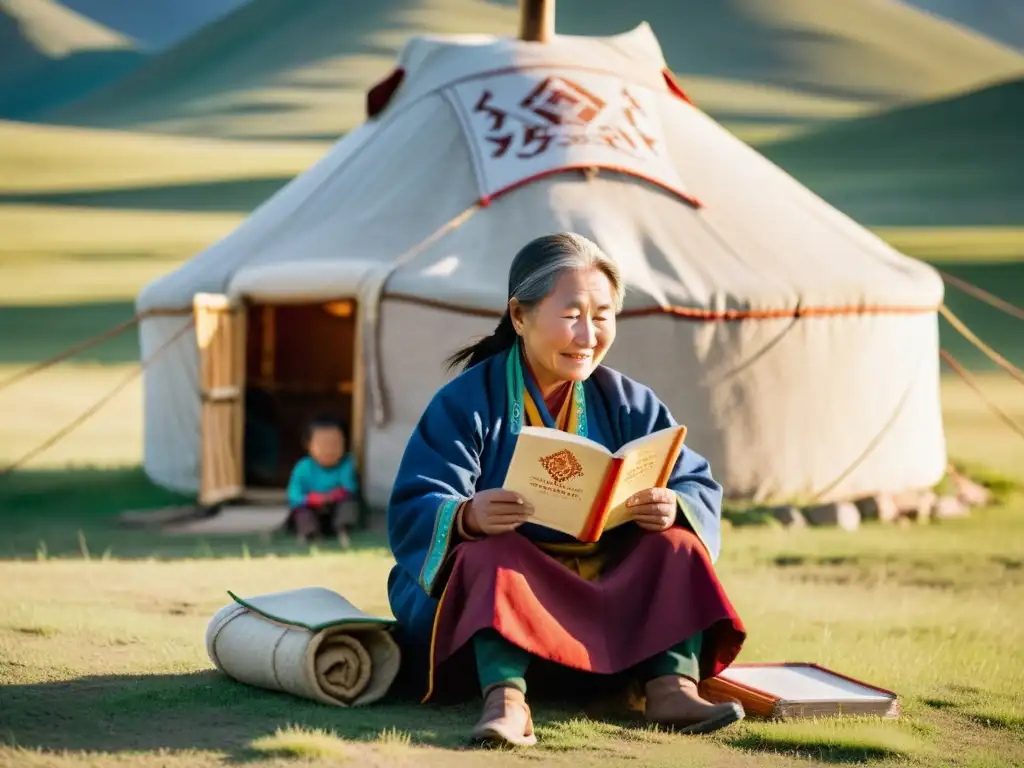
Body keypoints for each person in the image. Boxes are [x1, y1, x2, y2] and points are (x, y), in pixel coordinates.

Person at [385, 233, 747, 748]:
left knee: (677, 544)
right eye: (571, 314)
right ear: (519, 316)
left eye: (602, 316)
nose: (588, 334)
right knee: (493, 554)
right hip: (501, 597)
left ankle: (671, 686)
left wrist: (672, 505)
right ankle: (506, 700)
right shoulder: (467, 403)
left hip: (601, 584)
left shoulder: (627, 401)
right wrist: (466, 515)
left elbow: (693, 481)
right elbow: (418, 500)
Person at [285, 415, 360, 544]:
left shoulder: (347, 464)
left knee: (349, 503)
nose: (329, 450)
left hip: (334, 506)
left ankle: (343, 529)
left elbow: (350, 487)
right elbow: (293, 495)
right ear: (308, 445)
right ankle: (310, 534)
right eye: (322, 444)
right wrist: (310, 499)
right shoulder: (302, 467)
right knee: (301, 512)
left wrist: (335, 495)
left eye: (335, 444)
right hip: (311, 507)